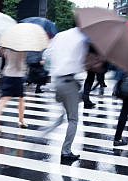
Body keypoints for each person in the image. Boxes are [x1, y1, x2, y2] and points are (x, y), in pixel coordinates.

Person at [41, 27, 89, 162]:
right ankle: (66, 151)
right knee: (73, 119)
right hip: (69, 82)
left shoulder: (60, 36)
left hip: (57, 81)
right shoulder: (81, 39)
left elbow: (47, 56)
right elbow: (81, 63)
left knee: (63, 115)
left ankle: (45, 131)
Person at [0, 48, 28, 131]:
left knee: (3, 99)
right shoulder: (23, 48)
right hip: (18, 76)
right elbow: (25, 61)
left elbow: (3, 56)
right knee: (21, 99)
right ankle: (21, 120)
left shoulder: (7, 47)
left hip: (7, 74)